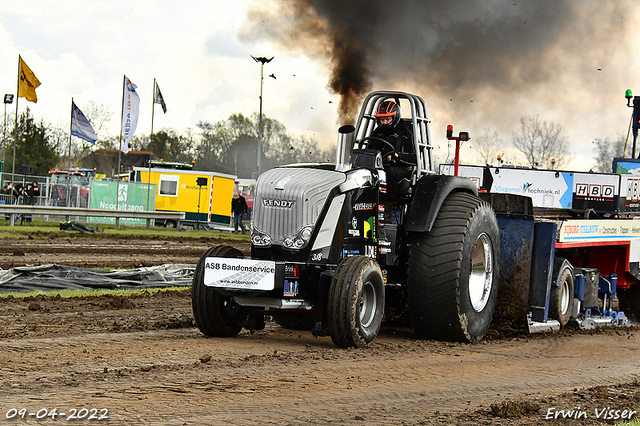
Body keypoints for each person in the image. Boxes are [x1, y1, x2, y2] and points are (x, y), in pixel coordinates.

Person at [366, 100, 416, 201]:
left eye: (387, 119)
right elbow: (368, 150)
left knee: (390, 172)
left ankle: (388, 207)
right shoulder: (377, 133)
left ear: (395, 117)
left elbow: (414, 158)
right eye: (381, 120)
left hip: (402, 168)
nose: (384, 123)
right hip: (380, 166)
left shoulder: (406, 133)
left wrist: (397, 156)